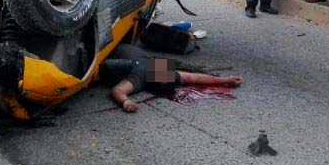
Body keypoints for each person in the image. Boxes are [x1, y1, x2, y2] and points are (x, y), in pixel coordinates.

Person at [100, 44, 242, 112]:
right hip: (109, 48)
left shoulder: (160, 70)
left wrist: (225, 80)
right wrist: (125, 101)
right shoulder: (141, 75)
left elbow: (195, 78)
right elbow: (118, 90)